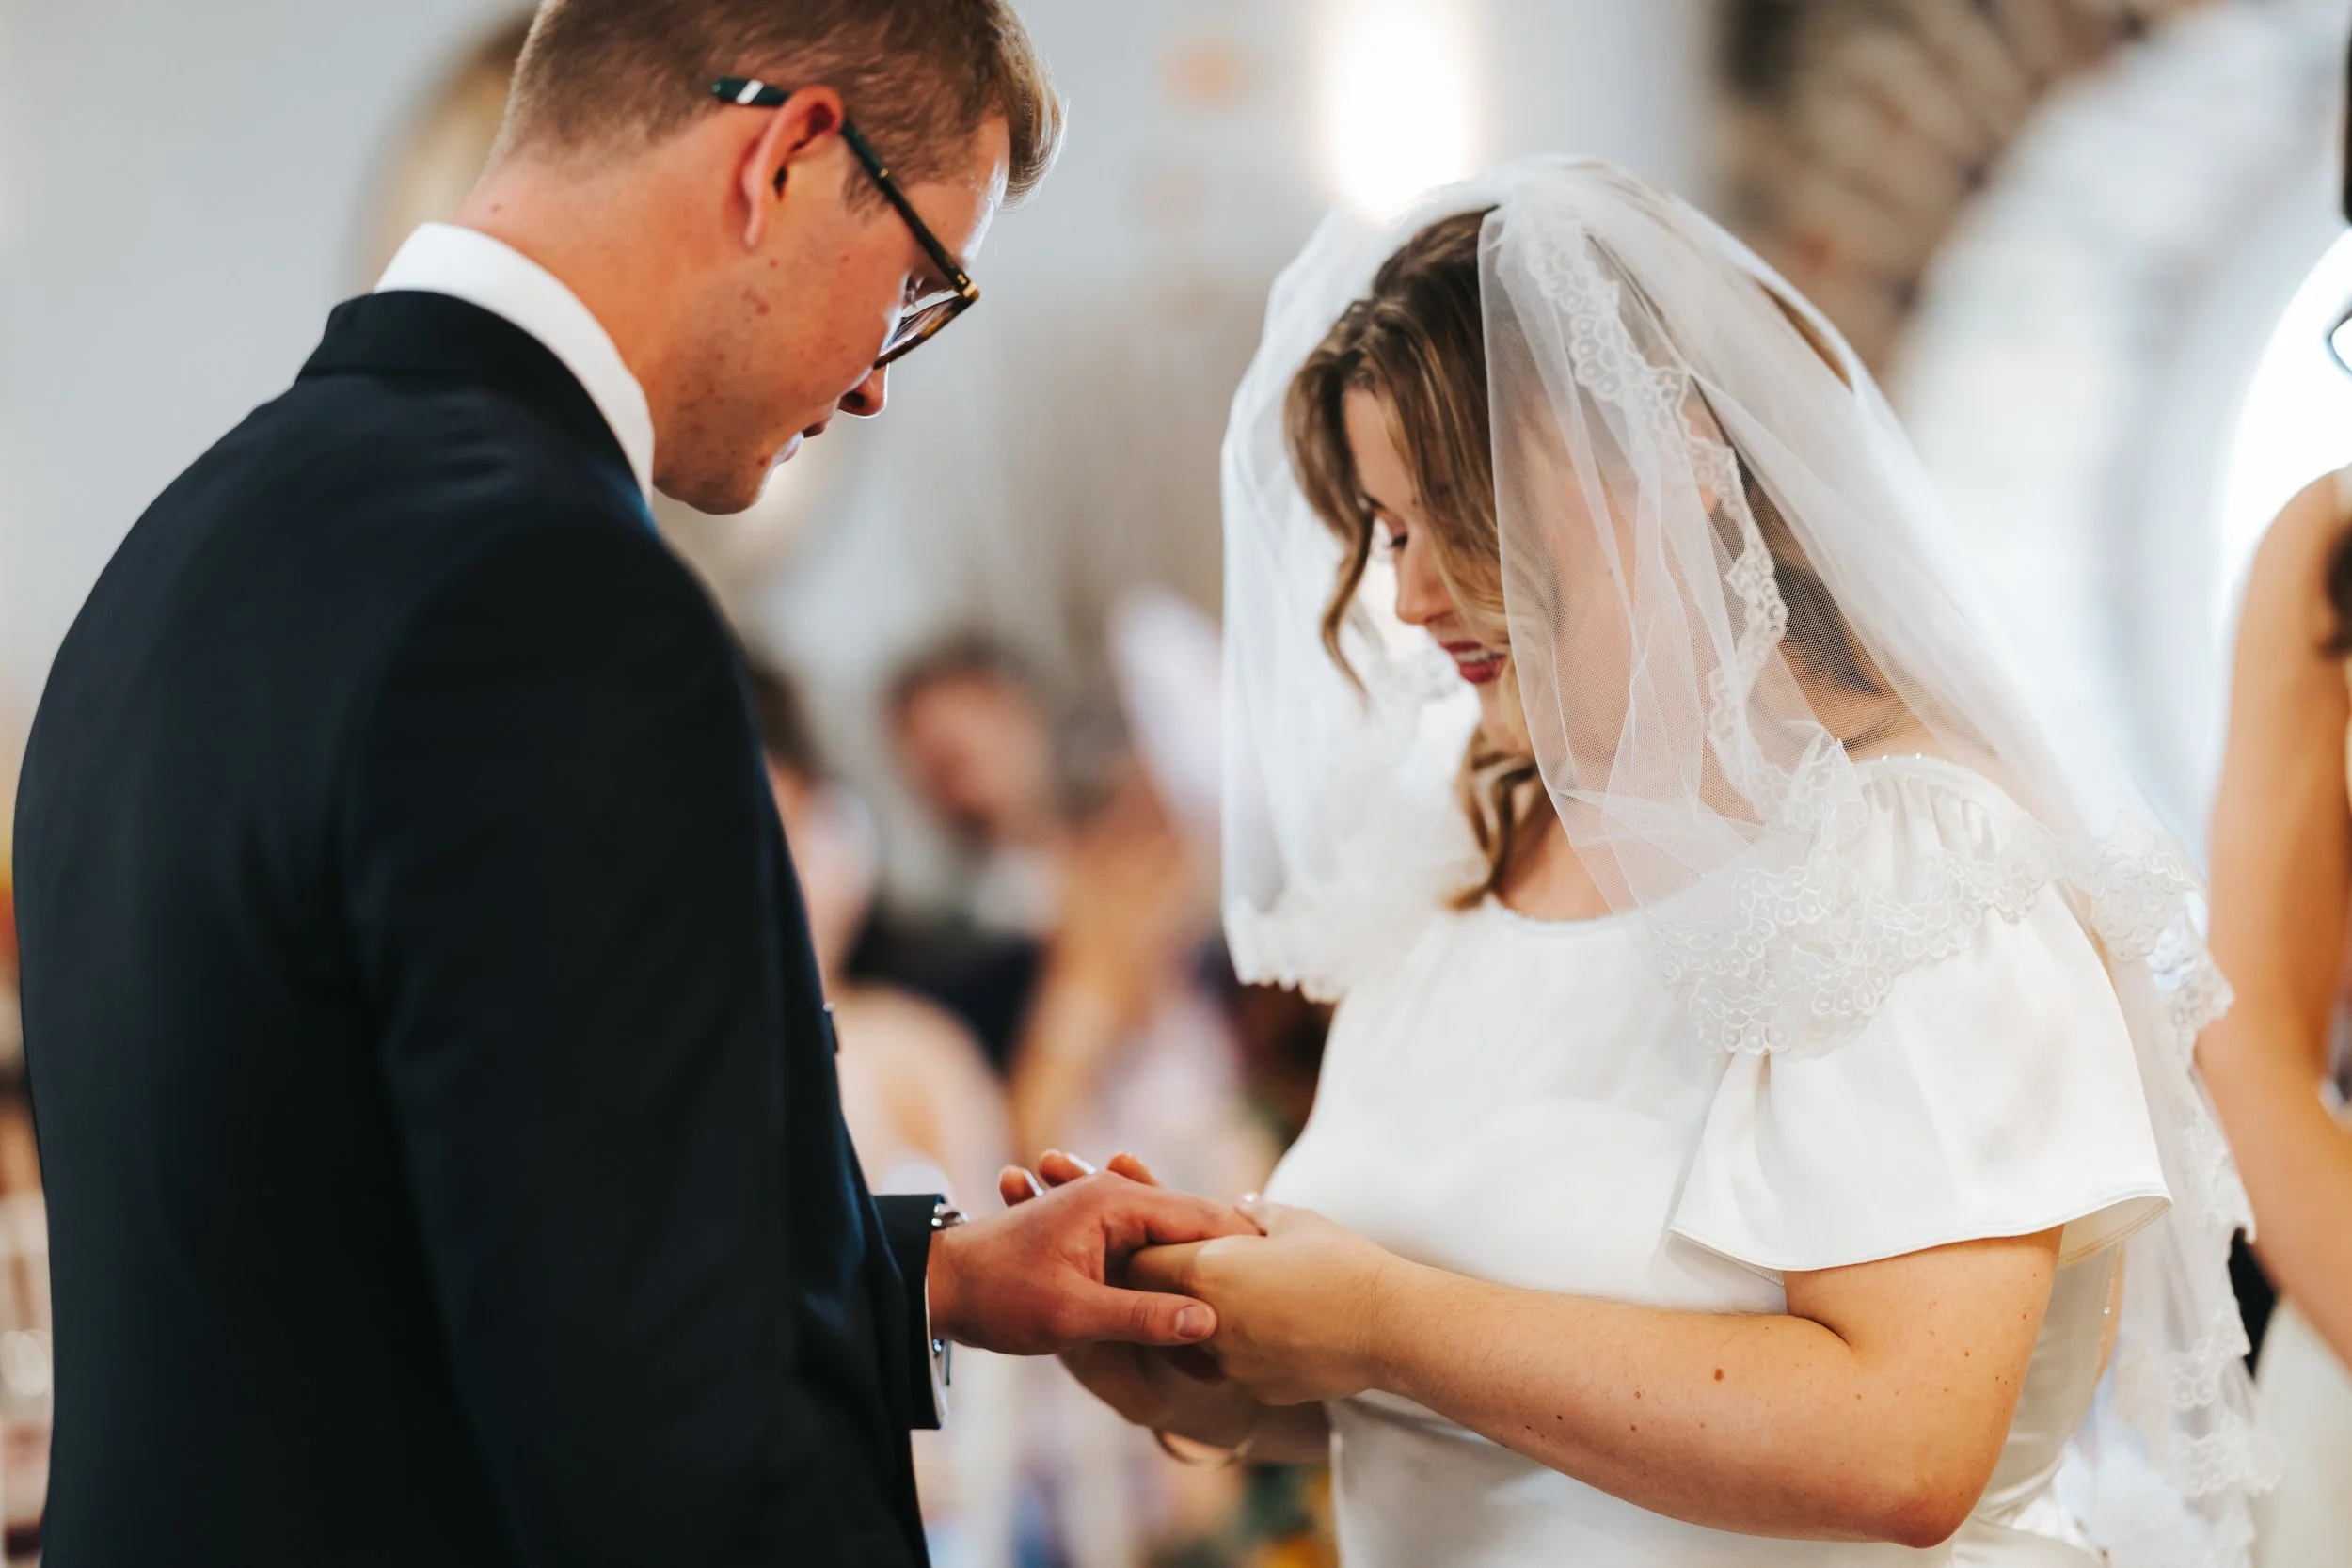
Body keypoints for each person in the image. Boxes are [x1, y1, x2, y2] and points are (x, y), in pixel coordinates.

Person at [10, 4, 1255, 1565]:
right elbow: (673, 1448)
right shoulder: (547, 595)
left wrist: (931, 1275)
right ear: (792, 159)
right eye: (922, 286)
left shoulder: (191, 540)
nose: (879, 382)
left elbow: (416, 1246)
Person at [1032, 162, 2271, 1564]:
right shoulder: (1454, 866)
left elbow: (1905, 1441)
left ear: (1666, 444)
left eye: (1451, 503)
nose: (1411, 593)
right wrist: (1201, 1362)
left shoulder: (1902, 861)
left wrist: (1381, 1316)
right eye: (1386, 529)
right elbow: (1446, 1404)